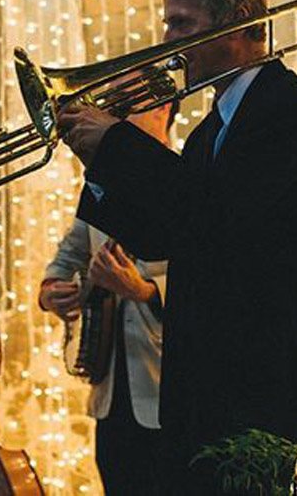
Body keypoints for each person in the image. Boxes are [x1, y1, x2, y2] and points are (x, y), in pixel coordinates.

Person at [58, 0, 297, 493]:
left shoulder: (289, 107)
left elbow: (221, 219)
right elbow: (165, 234)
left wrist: (116, 145)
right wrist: (98, 163)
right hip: (208, 380)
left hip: (261, 375)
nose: (167, 40)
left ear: (234, 21)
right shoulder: (210, 130)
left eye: (181, 23)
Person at [40, 101, 175, 496]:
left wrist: (143, 290)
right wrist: (53, 295)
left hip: (168, 388)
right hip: (110, 394)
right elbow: (64, 261)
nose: (113, 117)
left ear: (163, 110)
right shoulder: (102, 189)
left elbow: (212, 278)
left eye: (128, 107)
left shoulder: (186, 181)